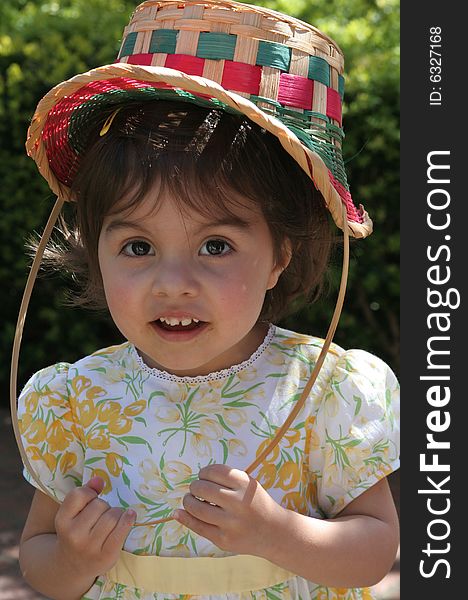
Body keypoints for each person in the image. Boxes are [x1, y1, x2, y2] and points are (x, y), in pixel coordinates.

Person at [13, 1, 399, 599]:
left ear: (279, 256)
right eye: (138, 247)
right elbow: (38, 561)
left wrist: (278, 533)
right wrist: (70, 556)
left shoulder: (323, 390)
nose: (173, 282)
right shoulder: (74, 403)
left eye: (215, 245)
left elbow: (374, 550)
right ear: (97, 252)